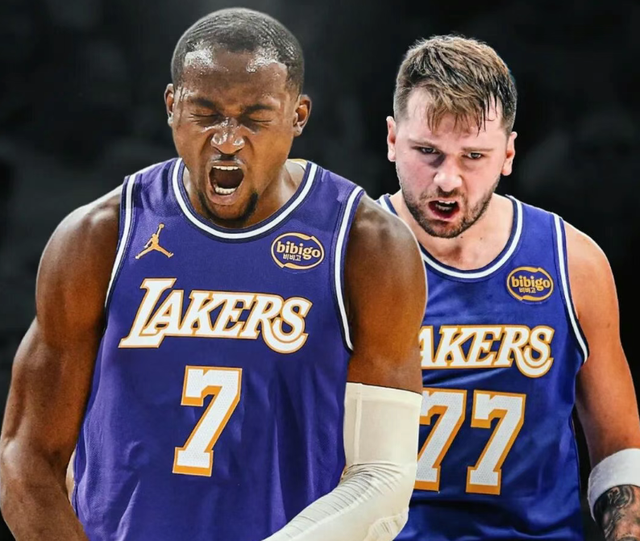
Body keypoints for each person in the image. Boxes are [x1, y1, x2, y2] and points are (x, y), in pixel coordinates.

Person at [0, 9, 427, 541]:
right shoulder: (100, 236)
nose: (227, 140)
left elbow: (383, 477)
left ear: (298, 116)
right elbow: (26, 456)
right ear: (171, 107)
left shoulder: (367, 245)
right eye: (205, 114)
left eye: (255, 117)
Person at [377, 35, 640, 541]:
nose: (448, 180)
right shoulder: (343, 258)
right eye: (427, 152)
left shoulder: (573, 262)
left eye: (473, 156)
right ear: (392, 139)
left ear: (509, 154)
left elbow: (618, 451)